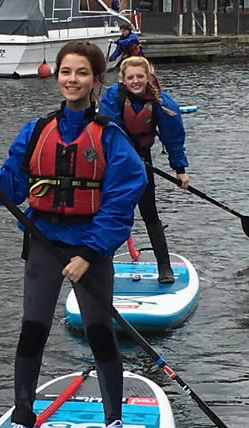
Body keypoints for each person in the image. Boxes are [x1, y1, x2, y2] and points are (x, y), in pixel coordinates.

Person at [0, 41, 147, 428]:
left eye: (81, 73)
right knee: (32, 331)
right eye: (65, 72)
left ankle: (114, 424)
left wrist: (89, 254)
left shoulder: (110, 136)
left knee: (99, 334)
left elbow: (122, 199)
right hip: (43, 243)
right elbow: (14, 187)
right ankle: (22, 420)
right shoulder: (38, 130)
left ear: (96, 80)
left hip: (89, 248)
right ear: (56, 77)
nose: (71, 80)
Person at [97, 56, 189, 284]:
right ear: (123, 80)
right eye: (131, 77)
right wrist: (127, 158)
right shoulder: (112, 98)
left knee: (149, 213)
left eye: (140, 76)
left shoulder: (162, 102)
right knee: (111, 213)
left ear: (148, 78)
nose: (136, 81)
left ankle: (164, 267)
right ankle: (101, 266)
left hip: (143, 162)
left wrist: (180, 169)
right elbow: (110, 131)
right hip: (114, 164)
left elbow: (173, 138)